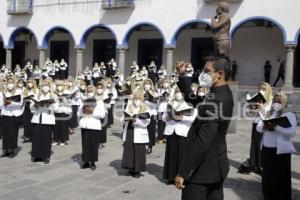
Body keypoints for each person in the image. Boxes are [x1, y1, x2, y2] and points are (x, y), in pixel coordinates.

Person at [175, 57, 234, 200]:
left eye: (207, 71)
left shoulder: (219, 98)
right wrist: (182, 76)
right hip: (214, 167)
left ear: (220, 74)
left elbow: (204, 140)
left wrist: (184, 172)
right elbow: (194, 99)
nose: (203, 74)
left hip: (202, 171)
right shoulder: (217, 92)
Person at [256, 93, 296, 200]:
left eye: (279, 102)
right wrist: (265, 126)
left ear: (284, 103)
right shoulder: (267, 113)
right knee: (267, 176)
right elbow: (258, 127)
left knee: (281, 176)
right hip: (266, 149)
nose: (276, 104)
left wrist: (276, 127)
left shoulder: (289, 115)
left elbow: (291, 132)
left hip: (281, 151)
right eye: (275, 101)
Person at [163, 88, 197, 184]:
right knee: (171, 155)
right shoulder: (170, 103)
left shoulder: (190, 104)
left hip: (183, 132)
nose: (179, 95)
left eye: (180, 93)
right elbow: (163, 117)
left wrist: (182, 117)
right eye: (177, 93)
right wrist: (168, 117)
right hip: (171, 131)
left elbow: (194, 118)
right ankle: (170, 177)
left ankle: (182, 177)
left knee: (182, 155)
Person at [121, 92, 151, 178]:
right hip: (130, 129)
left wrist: (136, 121)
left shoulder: (145, 107)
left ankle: (137, 170)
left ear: (141, 98)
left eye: (138, 98)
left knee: (139, 150)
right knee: (129, 149)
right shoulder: (129, 106)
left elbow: (147, 121)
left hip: (139, 130)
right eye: (135, 97)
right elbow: (124, 117)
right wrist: (127, 118)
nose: (136, 99)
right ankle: (130, 168)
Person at [78, 85, 105, 170]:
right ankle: (86, 161)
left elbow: (102, 115)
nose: (89, 93)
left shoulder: (99, 102)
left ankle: (93, 162)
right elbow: (78, 114)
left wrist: (93, 111)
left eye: (91, 91)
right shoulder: (84, 101)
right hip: (85, 125)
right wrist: (83, 111)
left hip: (94, 125)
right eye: (88, 91)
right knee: (85, 144)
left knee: (93, 144)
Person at [30, 80, 57, 164]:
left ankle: (46, 156)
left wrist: (48, 105)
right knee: (36, 138)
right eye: (43, 86)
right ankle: (36, 155)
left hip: (47, 120)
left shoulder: (53, 96)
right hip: (37, 119)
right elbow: (31, 108)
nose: (45, 87)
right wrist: (35, 105)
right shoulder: (37, 95)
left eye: (47, 86)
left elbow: (56, 108)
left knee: (46, 139)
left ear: (49, 87)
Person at [0, 77, 24, 158]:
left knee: (13, 133)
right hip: (5, 115)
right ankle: (5, 150)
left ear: (14, 84)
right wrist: (4, 103)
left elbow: (20, 103)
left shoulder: (18, 91)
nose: (10, 84)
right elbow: (0, 104)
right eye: (9, 83)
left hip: (14, 116)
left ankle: (12, 150)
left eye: (12, 83)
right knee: (5, 133)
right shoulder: (3, 91)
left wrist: (11, 102)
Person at [53, 80, 72, 146]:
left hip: (64, 111)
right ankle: (56, 139)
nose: (59, 87)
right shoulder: (55, 93)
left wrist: (64, 99)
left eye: (60, 85)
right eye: (58, 86)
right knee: (56, 126)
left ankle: (63, 140)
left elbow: (70, 102)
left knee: (63, 126)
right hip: (57, 111)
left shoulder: (67, 92)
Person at [22, 78, 39, 143]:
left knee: (33, 123)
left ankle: (32, 137)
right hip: (26, 107)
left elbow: (37, 99)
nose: (30, 84)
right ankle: (27, 136)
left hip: (33, 108)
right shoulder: (25, 90)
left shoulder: (37, 90)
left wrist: (32, 100)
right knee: (26, 123)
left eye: (31, 82)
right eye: (28, 82)